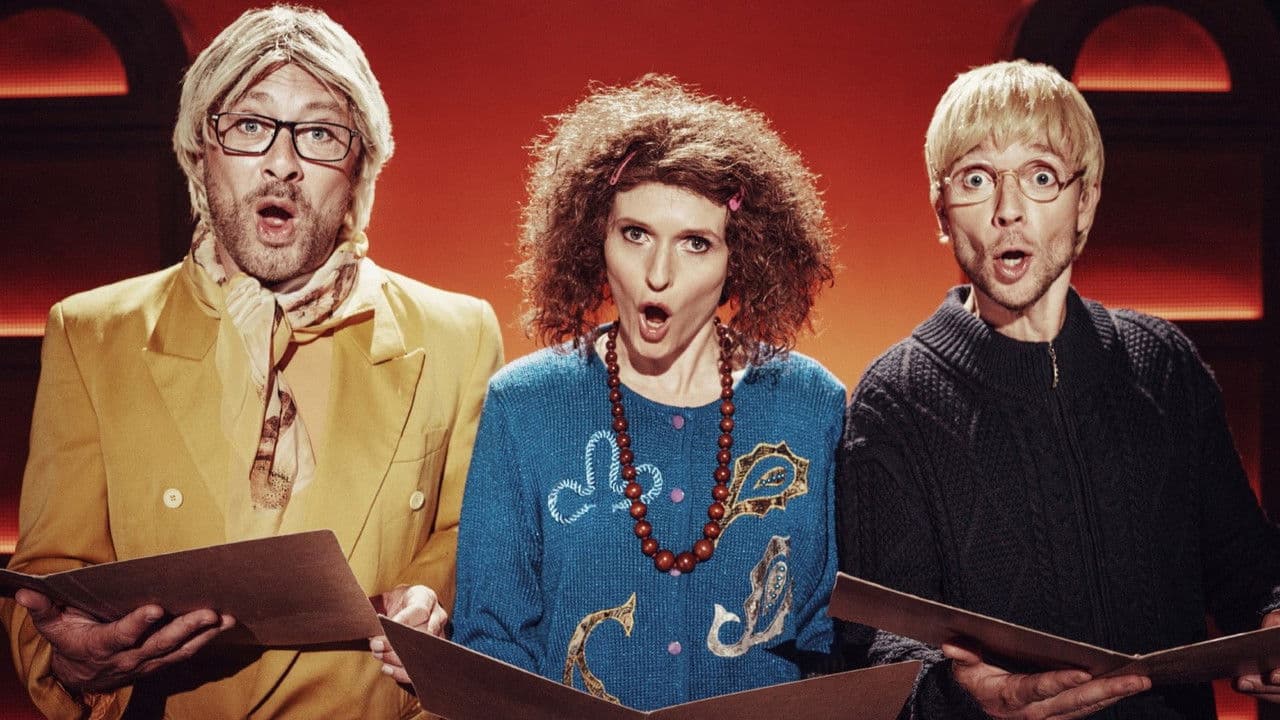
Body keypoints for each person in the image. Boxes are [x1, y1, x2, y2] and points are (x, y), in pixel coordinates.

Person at [0, 6, 501, 718]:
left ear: (359, 166)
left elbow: (473, 541)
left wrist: (433, 600)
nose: (282, 163)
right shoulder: (91, 332)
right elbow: (48, 578)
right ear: (199, 150)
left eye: (320, 133)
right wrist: (73, 659)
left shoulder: (459, 334)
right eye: (248, 125)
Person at [837, 59, 1280, 719]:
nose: (1008, 211)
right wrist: (967, 698)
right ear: (941, 211)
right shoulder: (894, 403)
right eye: (976, 179)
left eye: (1041, 177)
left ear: (1085, 202)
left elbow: (1247, 567)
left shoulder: (1164, 365)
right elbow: (881, 652)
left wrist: (1273, 617)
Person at [451, 75, 842, 710]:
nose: (658, 274)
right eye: (635, 234)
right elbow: (491, 643)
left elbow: (825, 638)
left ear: (740, 260)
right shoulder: (524, 405)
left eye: (696, 243)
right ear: (595, 239)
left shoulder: (810, 404)